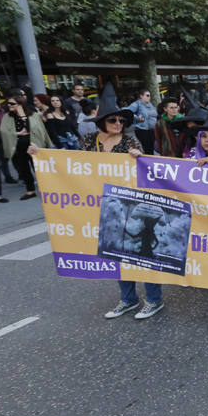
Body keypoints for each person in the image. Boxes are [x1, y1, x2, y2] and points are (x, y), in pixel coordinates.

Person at [34, 83, 163, 320]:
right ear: (102, 121)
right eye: (113, 120)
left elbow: (146, 169)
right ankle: (128, 299)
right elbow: (71, 164)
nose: (118, 124)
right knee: (115, 253)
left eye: (121, 121)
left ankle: (154, 300)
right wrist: (40, 156)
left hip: (132, 205)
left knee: (142, 252)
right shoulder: (89, 141)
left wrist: (139, 157)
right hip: (103, 205)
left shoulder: (130, 141)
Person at [0, 88, 53, 200]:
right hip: (19, 147)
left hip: (34, 145)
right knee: (24, 170)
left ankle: (47, 189)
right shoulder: (7, 117)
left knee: (39, 168)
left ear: (20, 104)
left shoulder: (32, 115)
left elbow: (39, 129)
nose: (9, 105)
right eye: (8, 103)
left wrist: (22, 116)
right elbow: (3, 131)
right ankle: (30, 191)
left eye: (12, 103)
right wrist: (17, 132)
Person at [127, 89, 158, 154]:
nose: (149, 97)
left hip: (151, 130)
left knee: (151, 149)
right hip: (142, 130)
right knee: (145, 149)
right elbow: (127, 111)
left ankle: (150, 163)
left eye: (149, 96)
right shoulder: (136, 104)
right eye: (147, 95)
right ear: (141, 96)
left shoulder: (150, 105)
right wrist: (137, 118)